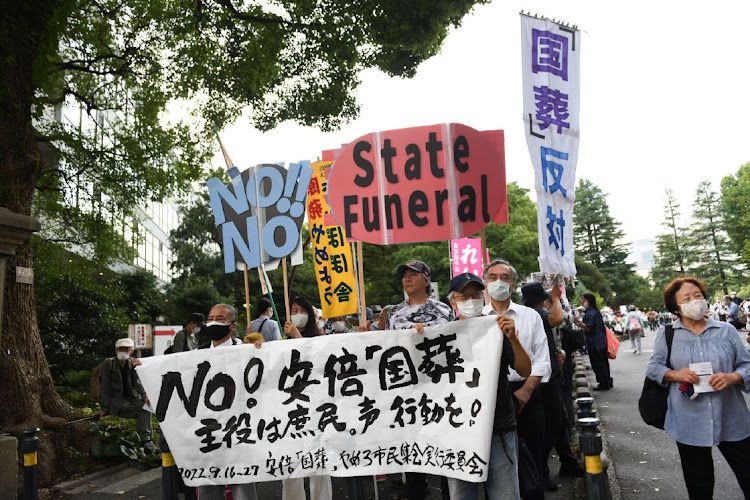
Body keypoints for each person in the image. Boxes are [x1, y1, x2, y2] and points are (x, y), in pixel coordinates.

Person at [646, 277, 750, 499]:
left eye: (698, 296)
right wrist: (677, 374)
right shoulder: (667, 334)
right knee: (699, 485)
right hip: (689, 421)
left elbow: (746, 365)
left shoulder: (726, 331)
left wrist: (734, 377)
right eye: (687, 298)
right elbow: (654, 368)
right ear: (676, 307)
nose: (695, 301)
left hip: (732, 418)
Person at [445, 272, 531, 500]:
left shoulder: (497, 329)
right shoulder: (441, 337)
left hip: (499, 427)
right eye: (463, 296)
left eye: (475, 295)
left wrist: (513, 338)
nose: (470, 300)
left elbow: (525, 370)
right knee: (462, 496)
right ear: (452, 301)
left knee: (506, 495)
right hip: (458, 431)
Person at [481, 259, 550, 500]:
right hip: (489, 398)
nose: (498, 282)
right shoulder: (475, 319)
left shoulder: (530, 316)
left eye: (504, 277)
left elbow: (542, 359)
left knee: (531, 458)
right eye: (492, 277)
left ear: (513, 285)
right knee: (495, 462)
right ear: (484, 283)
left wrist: (526, 391)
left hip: (527, 392)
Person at [385, 260, 454, 500]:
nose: (407, 278)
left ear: (426, 279)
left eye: (413, 274)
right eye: (404, 275)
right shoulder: (393, 314)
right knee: (413, 453)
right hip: (407, 392)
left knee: (445, 448)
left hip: (440, 389)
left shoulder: (445, 310)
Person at [521, 282, 584, 491]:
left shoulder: (531, 312)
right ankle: (540, 473)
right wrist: (556, 298)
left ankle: (564, 464)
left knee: (558, 422)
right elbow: (557, 319)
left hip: (552, 375)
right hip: (542, 380)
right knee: (547, 427)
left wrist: (561, 353)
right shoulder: (533, 313)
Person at [197, 303, 258, 500]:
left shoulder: (247, 350)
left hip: (239, 427)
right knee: (209, 482)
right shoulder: (196, 354)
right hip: (209, 428)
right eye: (210, 318)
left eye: (220, 319)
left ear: (233, 326)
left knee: (242, 483)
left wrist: (261, 351)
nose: (213, 322)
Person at [98, 338, 159, 454]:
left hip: (130, 397)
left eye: (126, 350)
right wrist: (104, 408)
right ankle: (146, 440)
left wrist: (145, 397)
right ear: (116, 350)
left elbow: (137, 382)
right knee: (141, 408)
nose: (123, 352)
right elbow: (105, 386)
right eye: (121, 349)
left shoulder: (132, 362)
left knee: (147, 407)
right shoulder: (108, 363)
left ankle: (146, 441)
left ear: (131, 351)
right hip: (116, 401)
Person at [573, 293, 612, 391]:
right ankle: (607, 381)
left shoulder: (591, 313)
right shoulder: (595, 311)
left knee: (597, 363)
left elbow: (587, 328)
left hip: (594, 342)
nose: (581, 301)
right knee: (603, 362)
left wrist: (577, 321)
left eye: (582, 299)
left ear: (587, 301)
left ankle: (603, 383)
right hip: (600, 341)